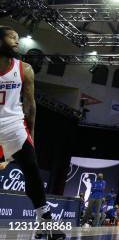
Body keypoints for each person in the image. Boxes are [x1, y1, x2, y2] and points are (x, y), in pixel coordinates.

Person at [0, 26, 65, 239]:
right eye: (12, 37)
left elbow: (30, 106)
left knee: (32, 172)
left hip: (14, 126)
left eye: (18, 38)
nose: (17, 42)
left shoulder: (24, 69)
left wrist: (32, 135)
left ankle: (44, 221)